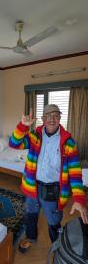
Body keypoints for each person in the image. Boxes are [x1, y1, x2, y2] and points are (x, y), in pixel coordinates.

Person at [9, 104, 88, 253]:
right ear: (43, 118)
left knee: (53, 221)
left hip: (53, 189)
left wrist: (79, 199)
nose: (52, 119)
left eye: (56, 115)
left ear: (60, 118)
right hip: (32, 186)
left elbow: (75, 172)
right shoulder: (34, 136)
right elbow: (14, 143)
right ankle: (31, 237)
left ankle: (57, 246)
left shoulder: (68, 142)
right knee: (30, 214)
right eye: (48, 116)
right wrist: (23, 126)